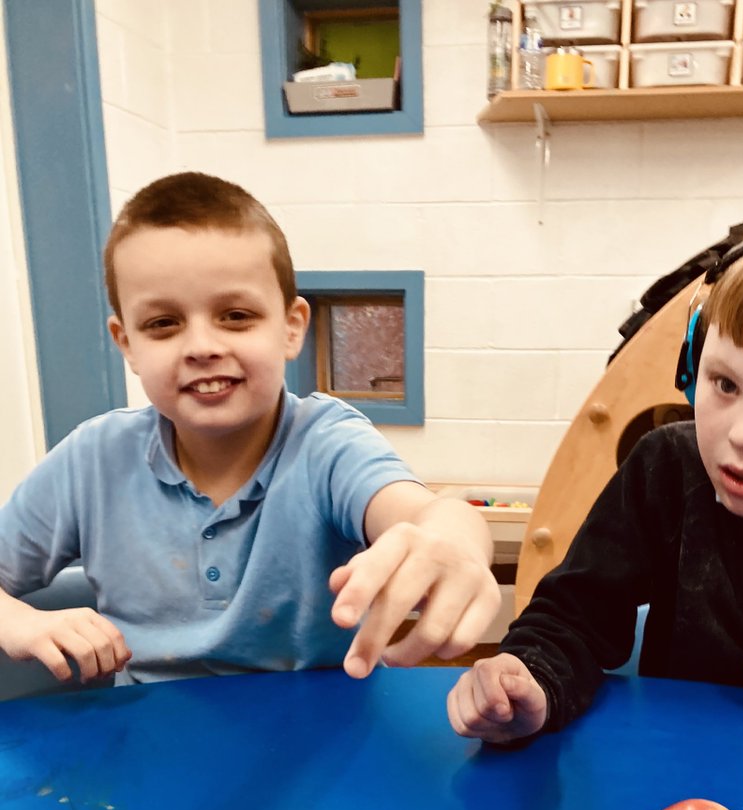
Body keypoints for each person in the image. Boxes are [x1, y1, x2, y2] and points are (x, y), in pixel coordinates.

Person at [0, 172, 498, 686]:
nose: (201, 346)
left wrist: (454, 541)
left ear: (291, 326)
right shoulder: (92, 459)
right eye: (163, 324)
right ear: (126, 343)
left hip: (316, 735)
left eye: (235, 316)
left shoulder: (326, 443)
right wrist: (17, 621)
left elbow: (427, 514)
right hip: (147, 740)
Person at [448, 198, 743, 743]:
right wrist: (529, 683)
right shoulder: (666, 469)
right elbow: (575, 617)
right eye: (725, 384)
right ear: (691, 364)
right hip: (679, 785)